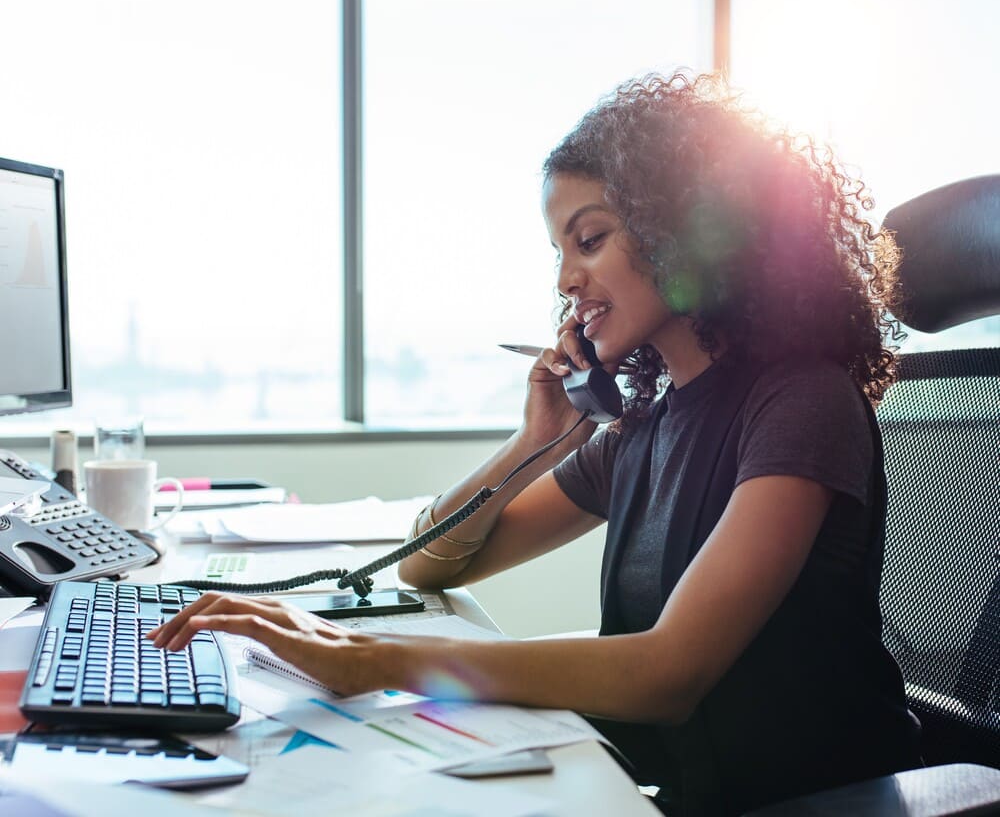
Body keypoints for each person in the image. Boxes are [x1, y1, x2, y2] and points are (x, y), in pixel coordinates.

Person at [149, 71, 922, 815]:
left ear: (684, 229)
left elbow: (669, 673)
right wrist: (537, 441)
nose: (565, 280)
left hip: (804, 804)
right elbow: (433, 561)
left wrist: (372, 662)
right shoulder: (643, 428)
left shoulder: (803, 402)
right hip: (671, 788)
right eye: (560, 250)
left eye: (588, 240)